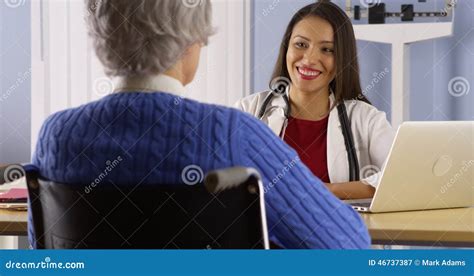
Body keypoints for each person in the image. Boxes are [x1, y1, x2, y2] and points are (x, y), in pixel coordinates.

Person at [29, 0, 370, 249]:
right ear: (191, 40)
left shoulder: (57, 137)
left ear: (102, 35)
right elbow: (347, 244)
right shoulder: (232, 135)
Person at [235, 1, 395, 200]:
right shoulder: (248, 110)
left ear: (342, 58)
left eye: (327, 49)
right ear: (287, 48)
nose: (309, 59)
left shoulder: (366, 119)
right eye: (301, 44)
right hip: (263, 230)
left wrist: (323, 190)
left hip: (336, 230)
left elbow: (398, 178)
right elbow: (220, 181)